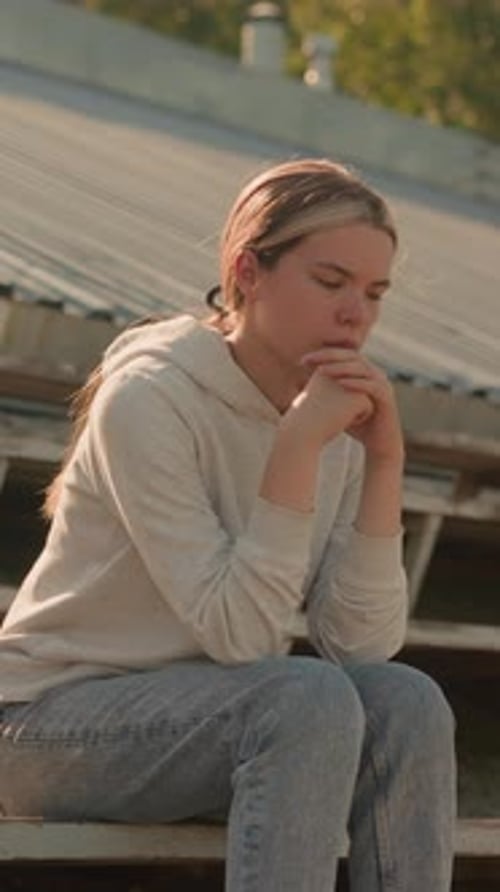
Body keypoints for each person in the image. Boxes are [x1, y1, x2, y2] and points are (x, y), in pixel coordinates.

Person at [0, 158, 456, 890]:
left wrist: (385, 463)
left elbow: (362, 645)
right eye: (331, 282)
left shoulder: (329, 418)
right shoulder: (149, 399)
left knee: (408, 700)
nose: (356, 315)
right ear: (248, 271)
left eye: (374, 294)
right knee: (301, 697)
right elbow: (240, 637)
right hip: (45, 731)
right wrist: (297, 448)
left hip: (214, 722)